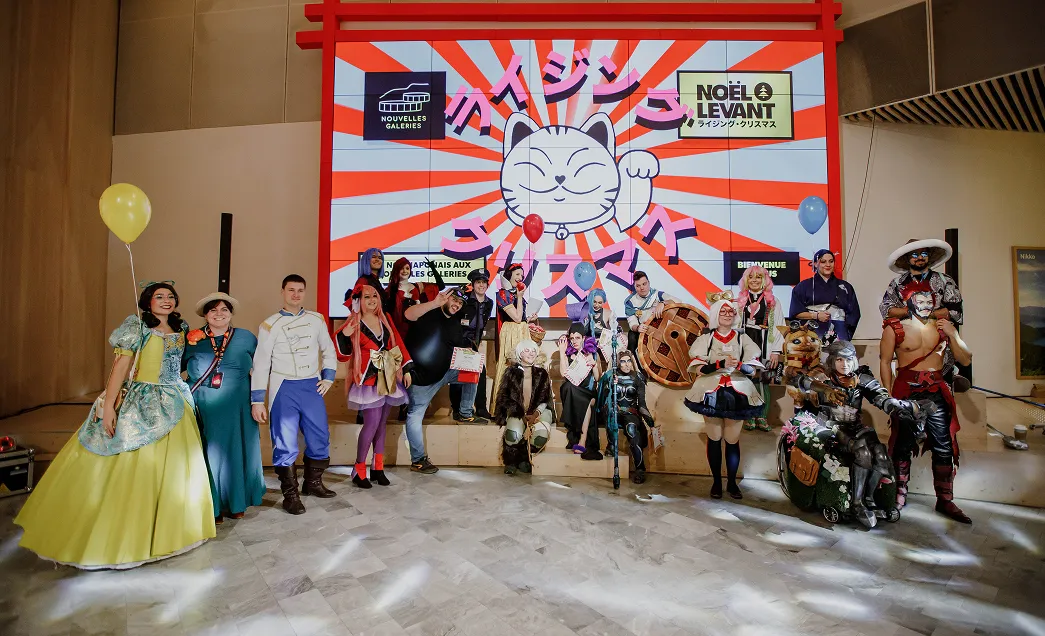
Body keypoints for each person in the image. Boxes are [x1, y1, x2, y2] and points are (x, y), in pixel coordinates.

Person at [15, 282, 215, 568]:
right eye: (159, 296)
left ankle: (171, 528)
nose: (166, 300)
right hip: (144, 399)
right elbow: (120, 368)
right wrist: (109, 406)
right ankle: (124, 536)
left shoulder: (181, 327)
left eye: (170, 296)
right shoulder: (137, 328)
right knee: (135, 464)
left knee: (176, 469)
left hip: (177, 400)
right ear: (147, 302)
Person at [789, 340, 927, 528]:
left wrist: (900, 407)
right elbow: (796, 380)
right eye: (839, 359)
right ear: (832, 360)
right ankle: (857, 504)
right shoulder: (822, 375)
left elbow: (881, 397)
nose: (844, 364)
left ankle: (869, 499)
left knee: (880, 453)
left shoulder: (861, 378)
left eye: (848, 359)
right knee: (862, 452)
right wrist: (824, 388)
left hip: (854, 426)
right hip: (829, 426)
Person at [881, 289, 973, 523]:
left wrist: (953, 334)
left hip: (935, 390)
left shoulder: (943, 328)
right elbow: (885, 361)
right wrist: (888, 396)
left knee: (943, 445)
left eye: (929, 301)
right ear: (909, 303)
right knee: (902, 443)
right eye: (919, 301)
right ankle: (899, 493)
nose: (925, 305)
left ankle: (945, 499)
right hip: (906, 390)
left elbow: (965, 359)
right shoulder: (895, 328)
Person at [251, 274, 338, 515]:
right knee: (285, 442)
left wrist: (328, 377)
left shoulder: (316, 320)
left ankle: (313, 483)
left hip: (311, 385)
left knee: (320, 436)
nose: (296, 294)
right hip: (283, 386)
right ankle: (291, 495)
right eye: (291, 290)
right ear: (283, 292)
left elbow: (328, 350)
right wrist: (257, 400)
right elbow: (261, 364)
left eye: (300, 290)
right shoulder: (269, 325)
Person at [184, 292, 263, 524]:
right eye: (213, 310)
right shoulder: (193, 339)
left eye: (224, 310)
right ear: (205, 315)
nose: (219, 314)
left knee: (237, 451)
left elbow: (261, 369)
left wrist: (258, 400)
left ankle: (237, 501)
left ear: (231, 313)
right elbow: (172, 368)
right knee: (211, 453)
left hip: (239, 406)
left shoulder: (246, 337)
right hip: (205, 405)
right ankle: (212, 504)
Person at [684, 291, 763, 500]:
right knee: (714, 437)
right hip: (711, 391)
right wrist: (719, 364)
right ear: (715, 314)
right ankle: (717, 482)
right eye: (723, 311)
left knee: (732, 439)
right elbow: (699, 368)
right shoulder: (706, 339)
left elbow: (753, 369)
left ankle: (732, 483)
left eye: (730, 312)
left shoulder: (743, 338)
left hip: (738, 391)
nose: (727, 315)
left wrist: (738, 365)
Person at [335, 281, 412, 489]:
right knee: (372, 423)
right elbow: (342, 353)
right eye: (367, 297)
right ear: (359, 301)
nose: (371, 300)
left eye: (375, 296)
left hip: (387, 374)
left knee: (382, 424)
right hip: (367, 378)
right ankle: (359, 468)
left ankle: (378, 468)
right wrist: (344, 335)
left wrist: (405, 368)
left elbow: (396, 343)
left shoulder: (385, 318)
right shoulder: (354, 321)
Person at [403, 286, 484, 474]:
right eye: (454, 300)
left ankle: (465, 412)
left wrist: (469, 353)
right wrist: (434, 303)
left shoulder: (455, 322)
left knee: (475, 367)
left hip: (444, 374)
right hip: (421, 380)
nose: (457, 305)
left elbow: (457, 345)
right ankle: (418, 460)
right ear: (445, 298)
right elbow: (408, 314)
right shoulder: (428, 311)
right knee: (414, 416)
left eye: (460, 302)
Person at [494, 339, 554, 475]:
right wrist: (520, 414)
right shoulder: (510, 372)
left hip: (538, 411)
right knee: (512, 435)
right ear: (519, 353)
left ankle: (524, 458)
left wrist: (535, 414)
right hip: (518, 411)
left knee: (540, 438)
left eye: (533, 351)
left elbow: (545, 399)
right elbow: (504, 397)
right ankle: (511, 461)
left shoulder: (542, 373)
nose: (531, 353)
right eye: (527, 350)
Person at [597, 350, 655, 484]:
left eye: (629, 361)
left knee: (631, 429)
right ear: (618, 363)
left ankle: (640, 469)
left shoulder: (637, 377)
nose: (627, 364)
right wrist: (611, 386)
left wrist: (651, 423)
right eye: (623, 361)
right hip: (614, 411)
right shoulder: (611, 376)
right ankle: (611, 444)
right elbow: (603, 397)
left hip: (631, 412)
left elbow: (642, 405)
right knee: (610, 413)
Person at [737, 265, 783, 432]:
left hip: (764, 345)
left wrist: (776, 351)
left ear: (764, 280)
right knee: (747, 381)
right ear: (746, 280)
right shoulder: (740, 300)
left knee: (763, 382)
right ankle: (749, 416)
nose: (754, 280)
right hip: (745, 345)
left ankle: (762, 416)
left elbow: (779, 326)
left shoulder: (773, 301)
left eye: (758, 277)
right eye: (751, 277)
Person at [880, 238, 963, 324]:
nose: (920, 257)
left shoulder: (945, 280)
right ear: (907, 258)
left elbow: (955, 311)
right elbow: (886, 309)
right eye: (914, 255)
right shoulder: (897, 283)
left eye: (924, 253)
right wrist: (910, 312)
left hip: (938, 329)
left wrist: (928, 314)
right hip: (907, 330)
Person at [450, 268, 494, 420]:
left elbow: (482, 325)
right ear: (473, 284)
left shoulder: (489, 303)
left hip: (474, 343)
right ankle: (456, 409)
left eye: (484, 282)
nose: (481, 285)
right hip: (459, 341)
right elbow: (456, 321)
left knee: (480, 372)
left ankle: (481, 408)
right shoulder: (466, 299)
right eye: (478, 282)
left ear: (487, 285)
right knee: (459, 373)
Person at [493, 263, 539, 407]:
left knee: (524, 367)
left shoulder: (515, 293)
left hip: (521, 331)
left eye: (522, 275)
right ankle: (505, 407)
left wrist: (529, 319)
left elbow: (521, 318)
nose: (520, 277)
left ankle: (522, 404)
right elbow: (517, 318)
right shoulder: (503, 294)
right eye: (517, 274)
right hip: (511, 333)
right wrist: (519, 297)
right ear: (510, 275)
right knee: (510, 366)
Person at [789, 249, 861, 342]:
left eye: (831, 261)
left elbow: (854, 313)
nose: (828, 265)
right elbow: (795, 313)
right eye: (823, 262)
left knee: (842, 351)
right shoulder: (802, 286)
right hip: (813, 331)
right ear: (815, 264)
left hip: (839, 331)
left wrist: (845, 331)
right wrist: (816, 316)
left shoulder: (846, 287)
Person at [557, 323, 602, 458]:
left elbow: (598, 378)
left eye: (577, 338)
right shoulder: (568, 354)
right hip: (573, 391)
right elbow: (563, 374)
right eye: (572, 338)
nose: (574, 341)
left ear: (583, 338)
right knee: (567, 386)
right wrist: (562, 353)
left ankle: (582, 440)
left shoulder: (592, 353)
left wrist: (594, 364)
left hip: (588, 392)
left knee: (583, 399)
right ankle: (581, 439)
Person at [624, 271, 676, 353]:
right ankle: (632, 360)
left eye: (644, 284)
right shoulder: (630, 302)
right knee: (632, 334)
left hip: (661, 329)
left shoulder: (658, 295)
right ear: (634, 287)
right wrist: (638, 328)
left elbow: (677, 302)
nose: (642, 288)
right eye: (638, 286)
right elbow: (632, 322)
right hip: (644, 330)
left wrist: (663, 303)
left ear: (648, 283)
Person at [352, 247, 388, 312]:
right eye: (373, 257)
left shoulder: (376, 280)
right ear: (366, 260)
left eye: (380, 258)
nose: (377, 259)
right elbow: (357, 306)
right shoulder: (363, 281)